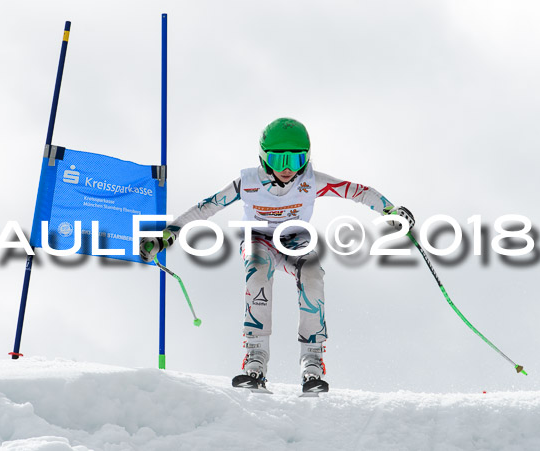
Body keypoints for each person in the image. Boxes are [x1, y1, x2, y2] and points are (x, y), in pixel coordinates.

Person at [140, 118, 414, 393]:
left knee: (312, 274)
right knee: (257, 272)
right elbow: (205, 208)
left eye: (296, 160)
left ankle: (313, 363)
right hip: (259, 240)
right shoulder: (247, 183)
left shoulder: (311, 181)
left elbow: (358, 192)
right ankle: (255, 359)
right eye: (278, 158)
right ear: (263, 157)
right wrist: (165, 237)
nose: (286, 168)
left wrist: (391, 211)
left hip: (295, 240)